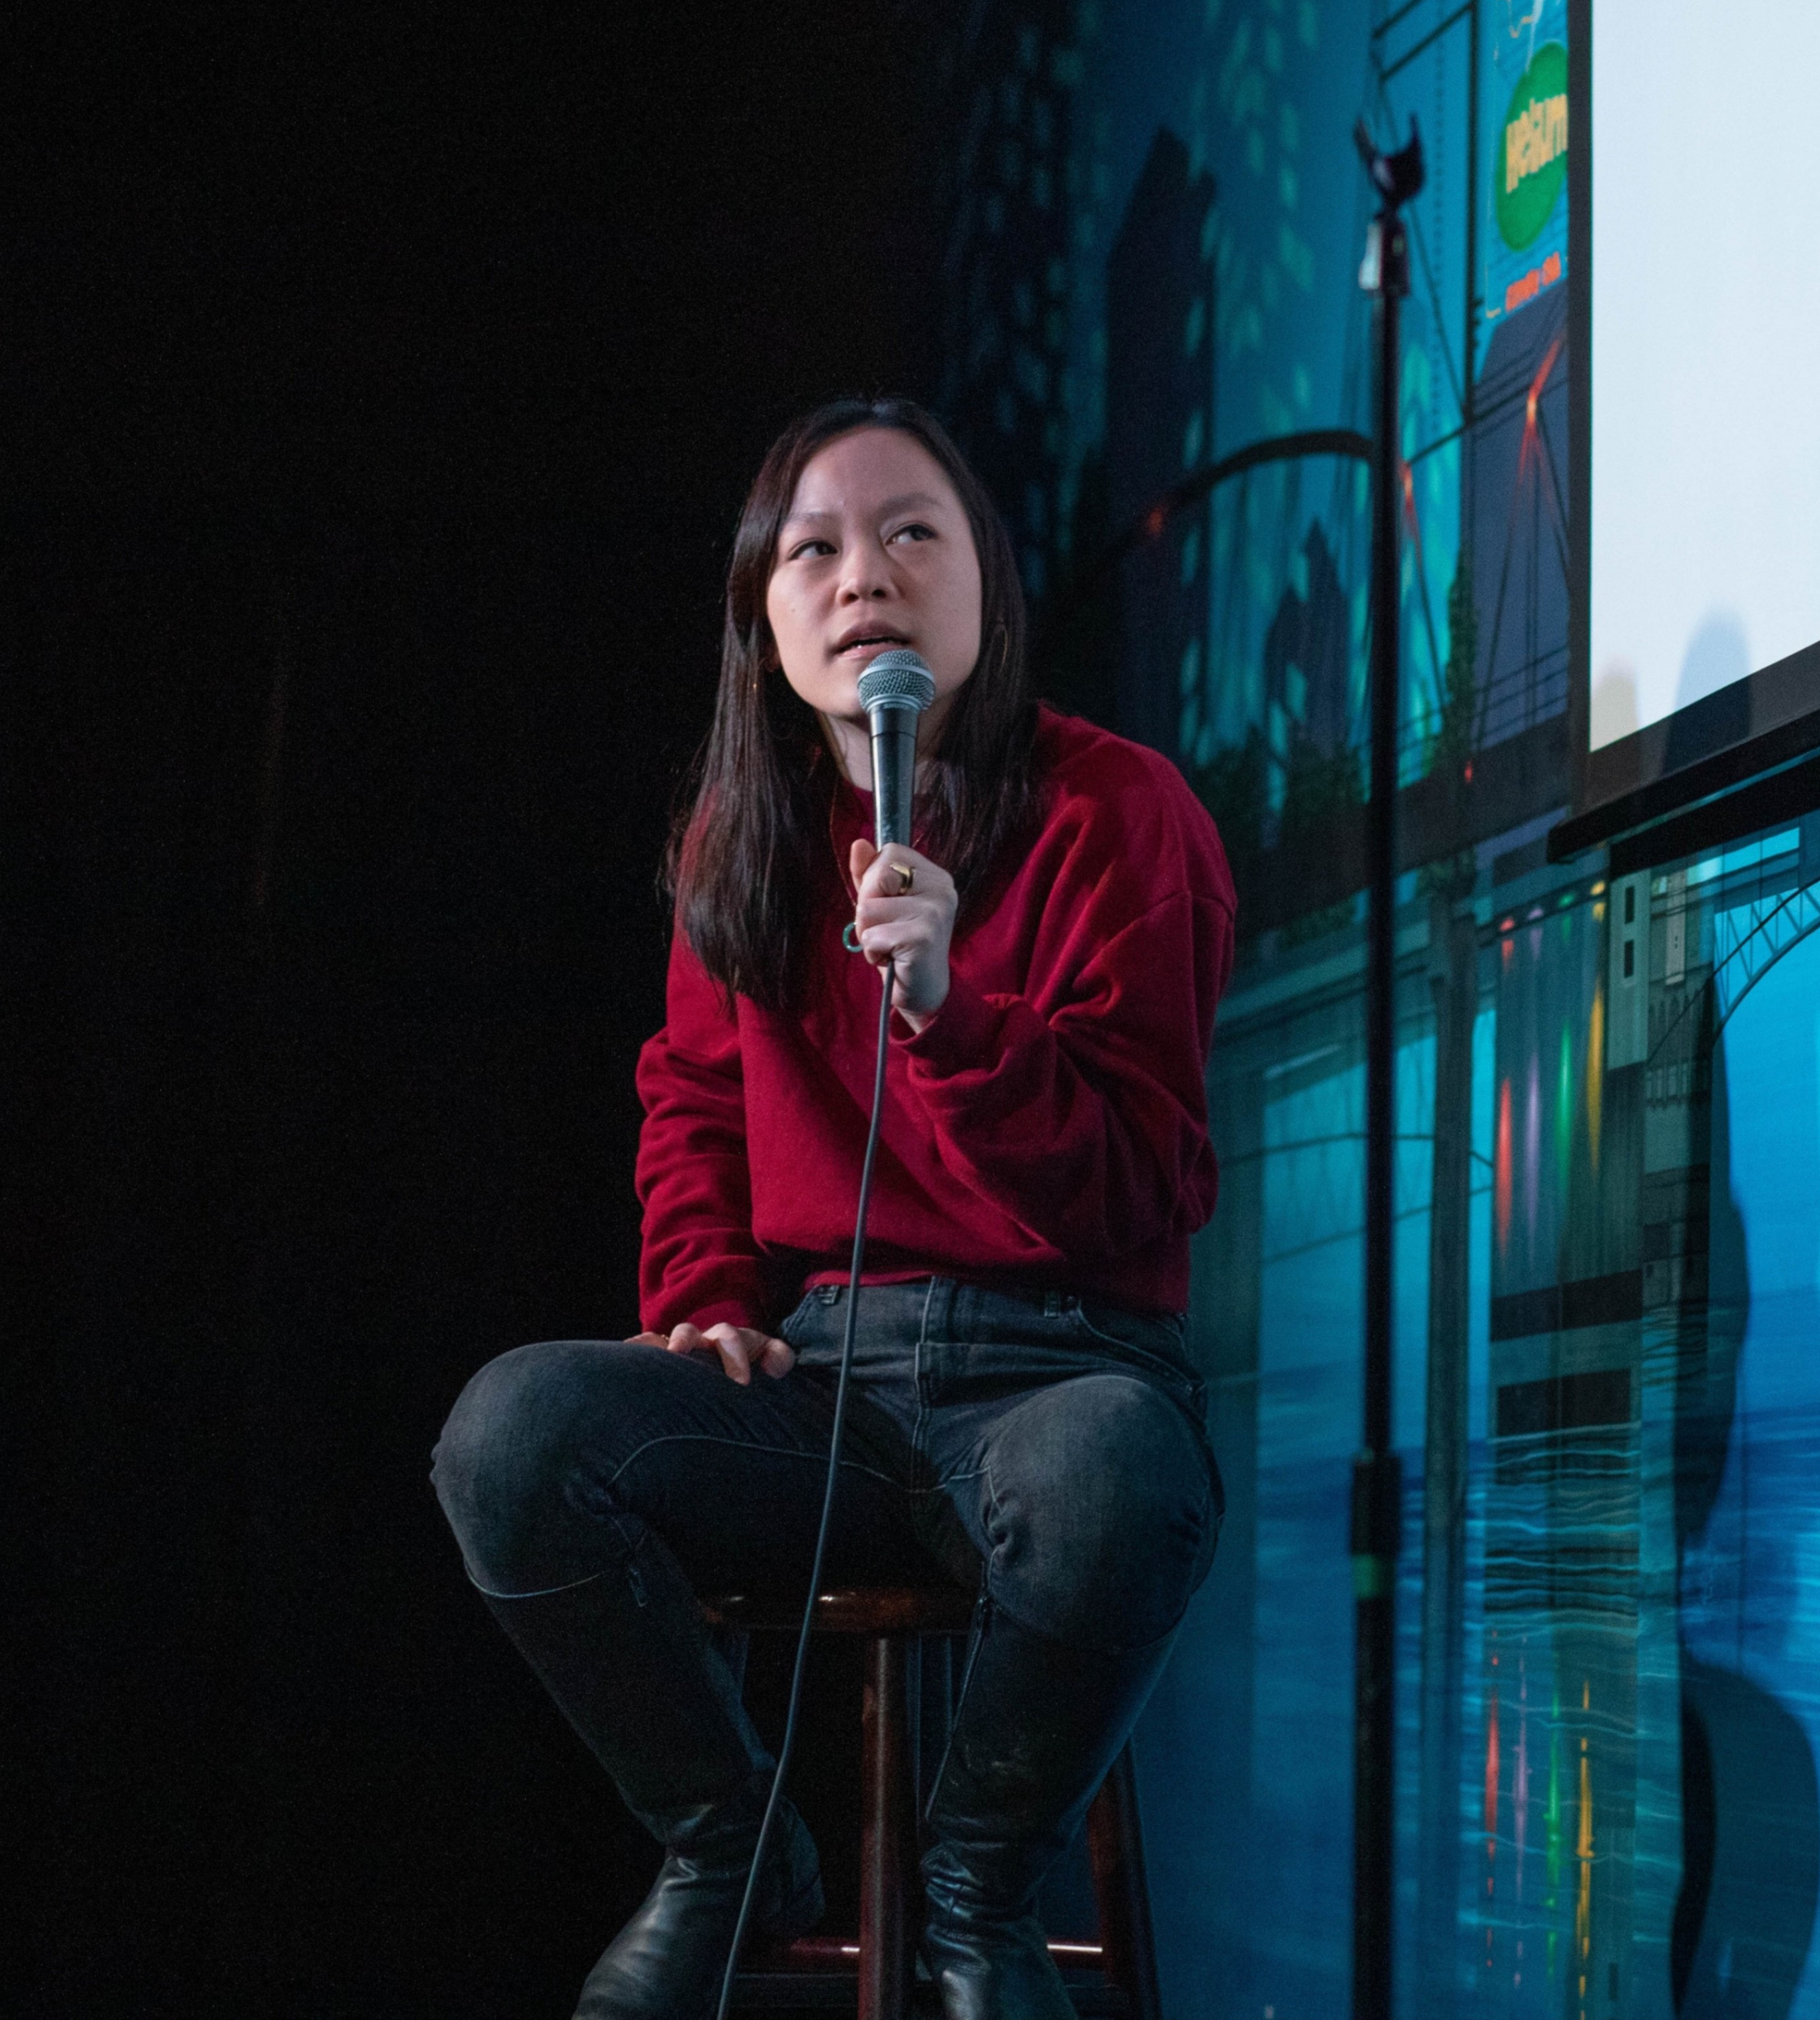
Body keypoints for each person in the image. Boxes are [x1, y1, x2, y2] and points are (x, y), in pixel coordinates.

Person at [432, 396, 1235, 2020]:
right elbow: (694, 1100)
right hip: (829, 1381)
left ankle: (979, 1885)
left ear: (987, 589)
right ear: (766, 616)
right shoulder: (747, 839)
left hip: (1059, 1365)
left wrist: (952, 1013)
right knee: (509, 1438)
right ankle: (731, 1844)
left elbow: (1147, 1176)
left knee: (1116, 1481)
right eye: (814, 550)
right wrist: (708, 1288)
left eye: (909, 533)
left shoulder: (1120, 810)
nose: (862, 574)